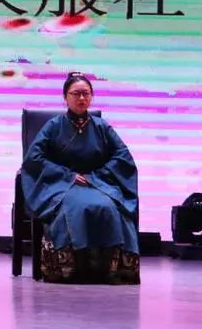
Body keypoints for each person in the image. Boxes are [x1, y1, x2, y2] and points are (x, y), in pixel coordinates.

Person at [20, 72, 140, 284]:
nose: (81, 98)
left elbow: (123, 156)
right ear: (65, 97)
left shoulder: (102, 127)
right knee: (74, 208)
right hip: (61, 185)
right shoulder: (54, 126)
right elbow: (34, 158)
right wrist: (67, 176)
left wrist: (96, 176)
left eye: (86, 93)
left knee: (109, 207)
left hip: (97, 183)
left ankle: (107, 270)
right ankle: (70, 270)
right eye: (76, 94)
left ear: (92, 97)